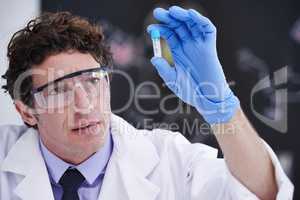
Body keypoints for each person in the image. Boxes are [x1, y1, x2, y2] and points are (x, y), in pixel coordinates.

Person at [0, 6, 294, 200]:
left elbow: (264, 193)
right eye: (59, 91)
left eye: (91, 81)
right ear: (26, 111)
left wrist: (220, 106)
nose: (84, 104)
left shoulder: (170, 160)